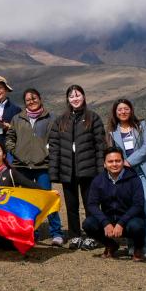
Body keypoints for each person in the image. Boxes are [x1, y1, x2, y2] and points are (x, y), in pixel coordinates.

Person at [49, 84, 106, 250]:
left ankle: (92, 235)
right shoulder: (60, 121)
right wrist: (54, 172)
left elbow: (100, 146)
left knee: (91, 205)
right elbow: (54, 147)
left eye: (78, 95)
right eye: (72, 96)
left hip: (89, 170)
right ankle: (74, 236)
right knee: (71, 206)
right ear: (68, 99)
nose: (75, 99)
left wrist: (100, 171)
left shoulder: (93, 118)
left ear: (84, 97)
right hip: (68, 170)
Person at [107, 99, 146, 260]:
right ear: (115, 112)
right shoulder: (113, 132)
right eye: (120, 109)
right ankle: (134, 246)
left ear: (131, 110)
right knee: (129, 210)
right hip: (126, 175)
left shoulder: (142, 125)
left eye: (126, 108)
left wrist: (129, 162)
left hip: (143, 173)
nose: (123, 112)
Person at [6, 88, 63, 245]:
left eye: (34, 98)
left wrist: (47, 153)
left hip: (42, 166)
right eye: (28, 100)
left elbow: (55, 140)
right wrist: (15, 151)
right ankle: (31, 231)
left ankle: (56, 232)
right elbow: (10, 137)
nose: (31, 101)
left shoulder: (50, 118)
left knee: (47, 199)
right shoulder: (17, 118)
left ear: (40, 98)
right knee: (26, 201)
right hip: (21, 166)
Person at [82, 147, 146, 260]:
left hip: (129, 221)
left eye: (118, 161)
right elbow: (92, 204)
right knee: (88, 224)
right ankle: (110, 245)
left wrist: (121, 223)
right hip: (109, 221)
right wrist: (105, 223)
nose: (114, 164)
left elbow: (138, 204)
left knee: (137, 226)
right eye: (110, 161)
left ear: (123, 162)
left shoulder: (134, 179)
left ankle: (138, 248)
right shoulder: (98, 180)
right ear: (105, 164)